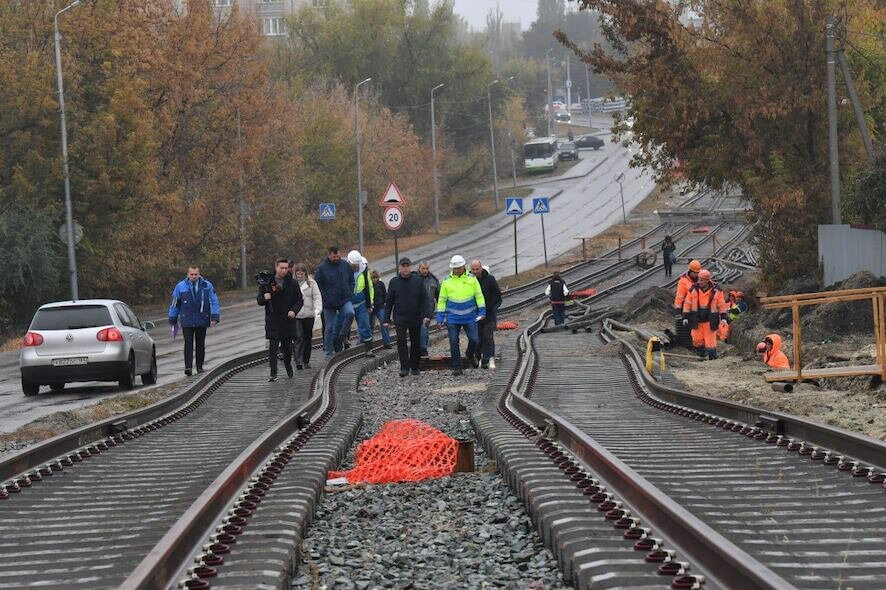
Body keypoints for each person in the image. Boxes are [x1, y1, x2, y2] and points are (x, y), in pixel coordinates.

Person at [436, 255, 486, 376]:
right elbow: (442, 300)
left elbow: (479, 296)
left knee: (474, 339)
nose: (457, 270)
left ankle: (470, 354)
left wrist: (482, 311)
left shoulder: (472, 279)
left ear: (464, 266)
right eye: (455, 268)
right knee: (453, 341)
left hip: (470, 317)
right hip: (452, 318)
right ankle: (457, 367)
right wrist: (440, 317)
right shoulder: (446, 281)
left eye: (459, 267)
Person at [168, 265, 220, 376]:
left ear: (199, 274)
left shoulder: (207, 285)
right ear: (188, 274)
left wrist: (215, 316)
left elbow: (214, 301)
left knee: (200, 343)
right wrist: (172, 317)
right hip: (187, 319)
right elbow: (175, 303)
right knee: (188, 343)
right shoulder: (180, 287)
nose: (194, 276)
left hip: (202, 318)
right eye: (191, 274)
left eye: (196, 274)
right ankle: (188, 367)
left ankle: (199, 366)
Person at [257, 258, 303, 381]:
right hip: (273, 319)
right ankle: (273, 373)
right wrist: (265, 298)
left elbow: (299, 300)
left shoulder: (292, 283)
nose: (283, 270)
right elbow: (259, 300)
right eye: (281, 268)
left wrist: (294, 310)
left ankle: (288, 366)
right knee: (273, 348)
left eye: (285, 268)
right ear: (276, 267)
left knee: (287, 348)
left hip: (287, 320)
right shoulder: (267, 282)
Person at [384, 258, 431, 376]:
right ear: (399, 267)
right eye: (403, 266)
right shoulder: (394, 282)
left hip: (415, 316)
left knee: (415, 342)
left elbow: (424, 299)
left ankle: (414, 366)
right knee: (401, 341)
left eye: (407, 266)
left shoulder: (417, 281)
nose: (405, 268)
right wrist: (386, 319)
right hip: (400, 317)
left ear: (410, 267)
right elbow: (389, 301)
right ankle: (404, 367)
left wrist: (427, 314)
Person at [315, 246, 355, 357]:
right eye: (334, 256)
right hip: (329, 303)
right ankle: (328, 351)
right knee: (330, 327)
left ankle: (342, 335)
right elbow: (318, 285)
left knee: (350, 313)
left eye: (338, 256)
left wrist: (350, 290)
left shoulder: (345, 265)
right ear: (329, 255)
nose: (336, 258)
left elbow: (352, 279)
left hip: (344, 299)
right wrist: (325, 297)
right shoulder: (322, 268)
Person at [681, 269, 727, 360]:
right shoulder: (693, 289)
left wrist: (724, 317)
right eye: (699, 279)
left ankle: (713, 358)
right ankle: (702, 355)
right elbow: (687, 303)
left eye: (702, 280)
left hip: (710, 321)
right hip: (696, 320)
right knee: (696, 340)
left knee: (710, 343)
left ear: (707, 280)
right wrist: (685, 316)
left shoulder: (717, 291)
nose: (699, 281)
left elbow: (721, 305)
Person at [467, 260, 502, 369]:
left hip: (489, 314)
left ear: (481, 268)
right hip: (474, 314)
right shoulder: (468, 280)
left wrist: (491, 309)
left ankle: (489, 358)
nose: (476, 271)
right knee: (477, 338)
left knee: (488, 337)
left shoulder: (490, 279)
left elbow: (498, 297)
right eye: (473, 269)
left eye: (477, 269)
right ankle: (477, 357)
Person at [292, 263, 322, 370]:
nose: (300, 275)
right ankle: (298, 361)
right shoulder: (292, 283)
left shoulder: (312, 283)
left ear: (305, 273)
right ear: (295, 273)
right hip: (296, 314)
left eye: (302, 273)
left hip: (309, 315)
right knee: (298, 337)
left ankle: (306, 360)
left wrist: (318, 309)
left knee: (307, 338)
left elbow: (317, 297)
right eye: (298, 273)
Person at [346, 250, 375, 357]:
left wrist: (370, 303)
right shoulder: (344, 269)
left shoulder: (364, 271)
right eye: (353, 265)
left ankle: (368, 348)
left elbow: (369, 287)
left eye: (357, 265)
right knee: (344, 324)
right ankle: (343, 343)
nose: (355, 267)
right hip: (348, 301)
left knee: (365, 325)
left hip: (361, 302)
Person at [418, 261, 440, 356]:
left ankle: (423, 349)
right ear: (419, 268)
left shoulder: (433, 280)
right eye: (423, 268)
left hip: (428, 311)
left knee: (424, 330)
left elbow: (439, 296)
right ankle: (421, 349)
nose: (425, 271)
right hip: (415, 310)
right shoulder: (414, 278)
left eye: (427, 268)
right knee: (419, 330)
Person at [370, 269, 392, 348]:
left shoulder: (381, 284)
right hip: (371, 307)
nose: (374, 279)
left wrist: (385, 302)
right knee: (370, 325)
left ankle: (387, 342)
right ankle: (368, 344)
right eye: (373, 278)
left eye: (376, 277)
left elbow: (385, 294)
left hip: (380, 307)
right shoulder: (369, 285)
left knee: (384, 323)